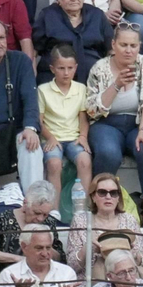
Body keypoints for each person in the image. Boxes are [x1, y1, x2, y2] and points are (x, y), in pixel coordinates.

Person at [33, 0, 110, 86]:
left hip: (94, 81)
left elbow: (111, 49)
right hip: (53, 81)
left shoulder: (97, 15)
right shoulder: (47, 16)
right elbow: (34, 50)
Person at [66, 170, 143, 278]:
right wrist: (88, 248)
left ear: (118, 198)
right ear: (93, 196)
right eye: (102, 192)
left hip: (125, 282)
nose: (108, 197)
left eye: (113, 193)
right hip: (88, 285)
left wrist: (135, 256)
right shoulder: (80, 221)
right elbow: (71, 266)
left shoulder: (129, 220)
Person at [0, 223, 80, 287]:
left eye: (48, 248)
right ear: (24, 247)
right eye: (39, 248)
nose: (45, 253)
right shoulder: (9, 274)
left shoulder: (66, 272)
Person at [36, 43, 91, 196]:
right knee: (54, 164)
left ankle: (83, 209)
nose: (66, 73)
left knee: (85, 161)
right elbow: (39, 121)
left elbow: (83, 118)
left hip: (73, 138)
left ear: (76, 67)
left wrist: (83, 137)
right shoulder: (43, 90)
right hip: (52, 139)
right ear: (52, 69)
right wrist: (50, 137)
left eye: (70, 68)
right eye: (61, 68)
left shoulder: (81, 89)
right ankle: (54, 211)